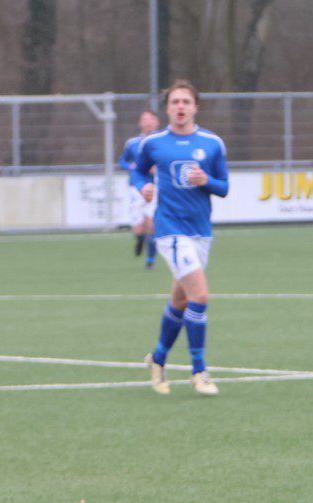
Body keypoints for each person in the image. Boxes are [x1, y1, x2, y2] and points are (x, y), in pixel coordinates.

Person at [132, 80, 229, 396]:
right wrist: (143, 187)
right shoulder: (154, 143)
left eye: (186, 101)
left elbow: (224, 187)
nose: (180, 106)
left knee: (181, 300)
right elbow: (138, 172)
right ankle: (199, 370)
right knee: (199, 296)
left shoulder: (212, 143)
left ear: (195, 107)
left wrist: (206, 180)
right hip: (169, 230)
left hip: (200, 231)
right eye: (175, 102)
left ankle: (158, 359)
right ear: (167, 108)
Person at [118, 109, 160, 267]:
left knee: (151, 223)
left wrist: (157, 168)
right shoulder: (132, 143)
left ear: (156, 122)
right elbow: (122, 161)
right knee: (138, 227)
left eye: (151, 119)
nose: (148, 122)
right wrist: (132, 167)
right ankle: (140, 240)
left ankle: (150, 260)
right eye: (145, 119)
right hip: (136, 188)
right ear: (140, 123)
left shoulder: (161, 141)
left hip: (155, 186)